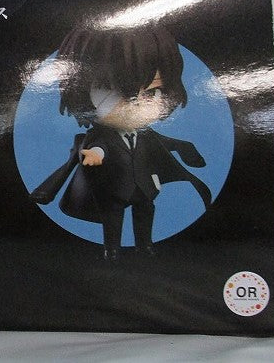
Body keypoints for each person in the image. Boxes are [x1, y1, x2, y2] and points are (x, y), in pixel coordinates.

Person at [30, 26, 211, 261]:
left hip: (143, 187)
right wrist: (95, 155)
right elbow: (99, 147)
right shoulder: (101, 135)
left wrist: (184, 148)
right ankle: (112, 249)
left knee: (145, 212)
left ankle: (144, 245)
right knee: (113, 218)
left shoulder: (145, 134)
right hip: (114, 187)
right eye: (115, 91)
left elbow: (164, 143)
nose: (136, 104)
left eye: (152, 91)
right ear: (81, 91)